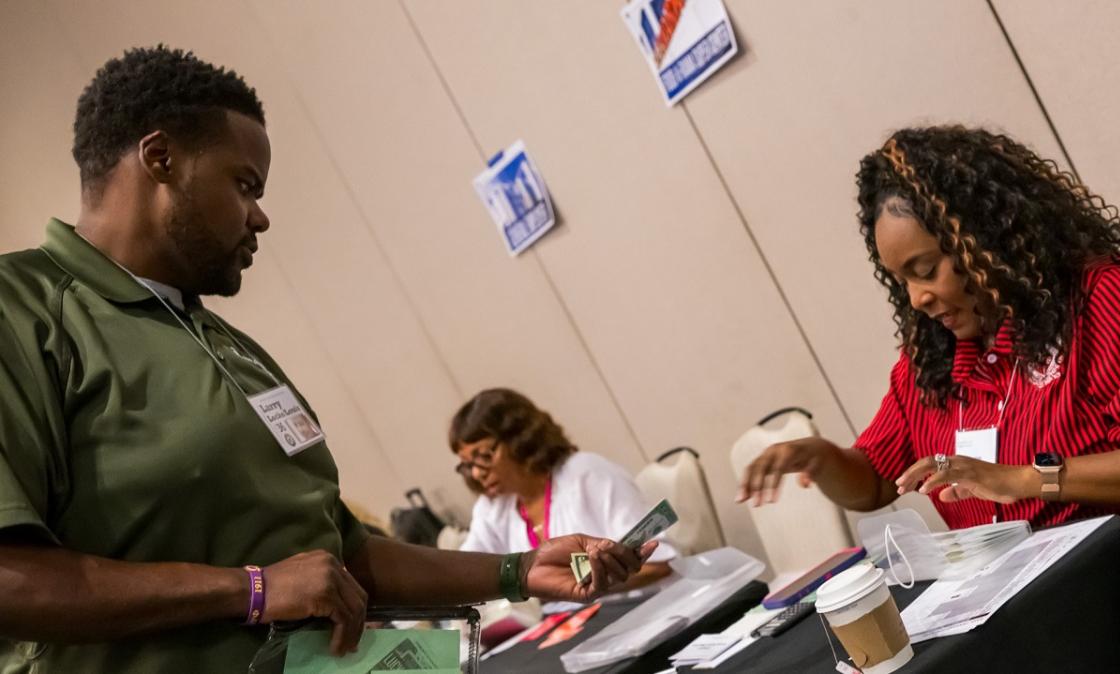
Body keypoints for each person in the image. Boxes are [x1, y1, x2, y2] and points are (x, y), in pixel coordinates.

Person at [0, 46, 652, 673]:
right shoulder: (22, 313)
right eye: (245, 185)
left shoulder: (225, 344)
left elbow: (341, 555)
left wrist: (514, 569)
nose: (260, 218)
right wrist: (248, 591)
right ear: (161, 157)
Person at [738, 126, 1120, 631]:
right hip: (1010, 611)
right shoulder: (932, 363)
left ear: (987, 238)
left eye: (926, 269)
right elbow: (873, 484)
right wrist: (822, 458)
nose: (916, 298)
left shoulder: (1109, 301)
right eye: (903, 281)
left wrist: (1025, 478)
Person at [451, 388, 676, 594]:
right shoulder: (492, 508)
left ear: (519, 439)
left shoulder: (587, 474)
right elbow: (465, 571)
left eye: (483, 456)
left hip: (644, 607)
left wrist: (584, 587)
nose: (477, 474)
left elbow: (660, 563)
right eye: (467, 465)